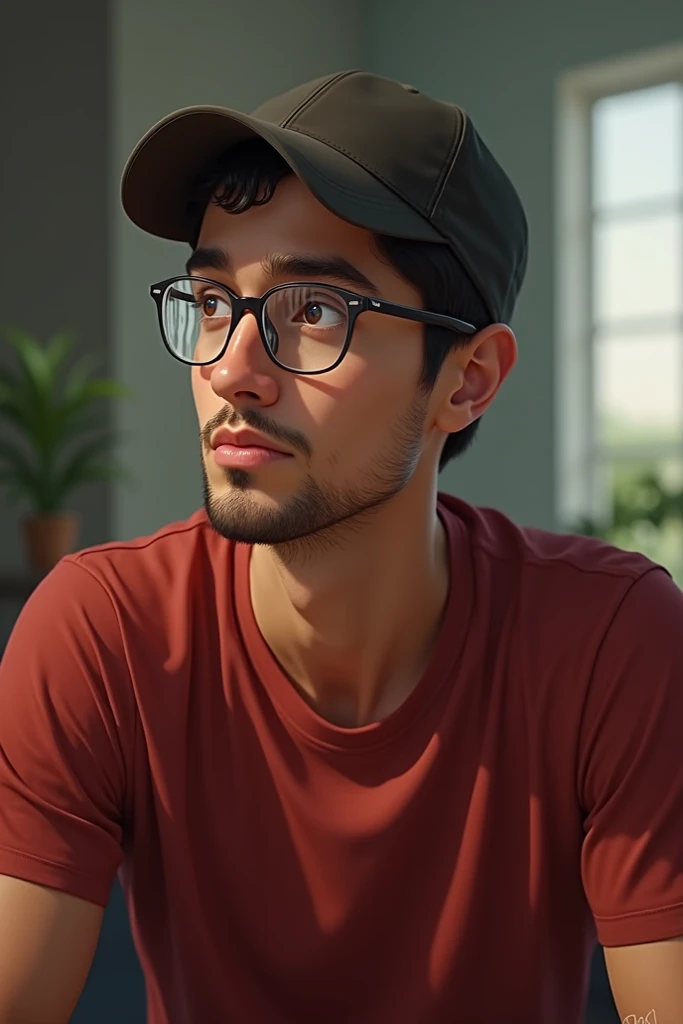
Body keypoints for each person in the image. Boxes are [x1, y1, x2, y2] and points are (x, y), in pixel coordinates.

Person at [0, 70, 681, 1024]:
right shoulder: (103, 632)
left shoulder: (610, 641)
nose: (233, 372)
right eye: (209, 300)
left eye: (313, 311)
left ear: (468, 381)